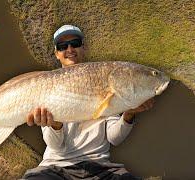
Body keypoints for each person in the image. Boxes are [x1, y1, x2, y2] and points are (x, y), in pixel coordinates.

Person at [21, 25, 154, 180]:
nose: (70, 49)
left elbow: (114, 138)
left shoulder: (104, 79)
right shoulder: (48, 85)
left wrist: (129, 113)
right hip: (55, 167)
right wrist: (55, 125)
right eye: (63, 46)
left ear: (84, 47)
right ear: (57, 53)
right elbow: (55, 145)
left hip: (100, 167)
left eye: (75, 43)